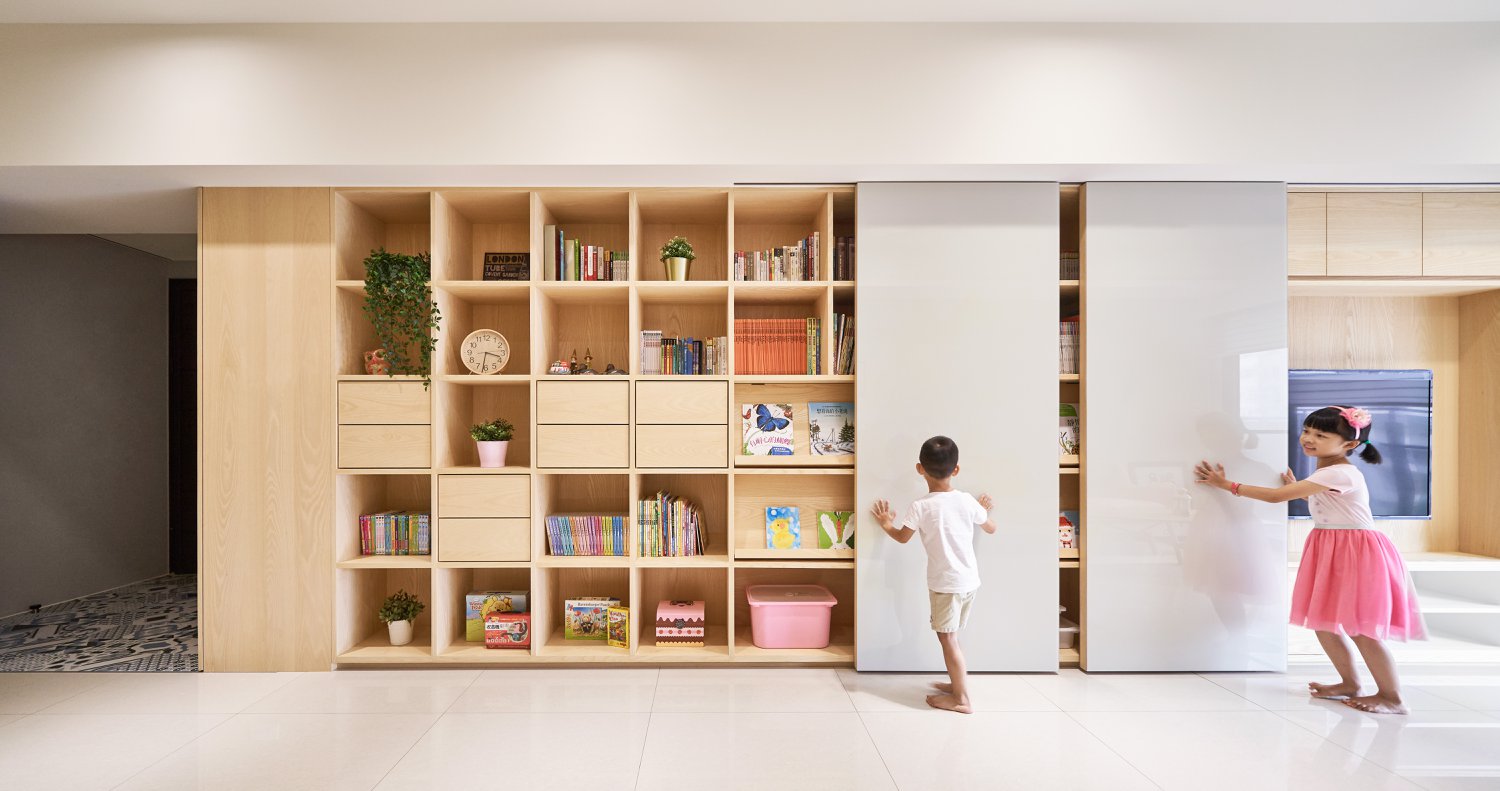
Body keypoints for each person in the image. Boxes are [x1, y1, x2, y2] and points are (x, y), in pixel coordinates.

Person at [1195, 405, 1425, 714]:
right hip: (1333, 548)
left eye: (1321, 435)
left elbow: (1277, 498)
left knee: (1360, 629)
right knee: (1325, 624)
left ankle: (1391, 696)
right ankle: (1349, 683)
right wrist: (1297, 487)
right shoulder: (1327, 473)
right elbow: (1320, 499)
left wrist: (1227, 485)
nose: (1309, 439)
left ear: (1349, 445)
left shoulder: (1339, 471)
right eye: (1307, 431)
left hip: (1355, 552)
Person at [872, 435, 997, 714]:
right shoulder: (966, 501)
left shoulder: (921, 506)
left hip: (945, 585)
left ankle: (961, 699)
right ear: (956, 470)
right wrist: (981, 510)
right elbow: (990, 527)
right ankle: (957, 685)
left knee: (947, 639)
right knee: (952, 636)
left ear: (920, 469)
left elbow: (903, 538)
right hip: (969, 583)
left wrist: (885, 524)